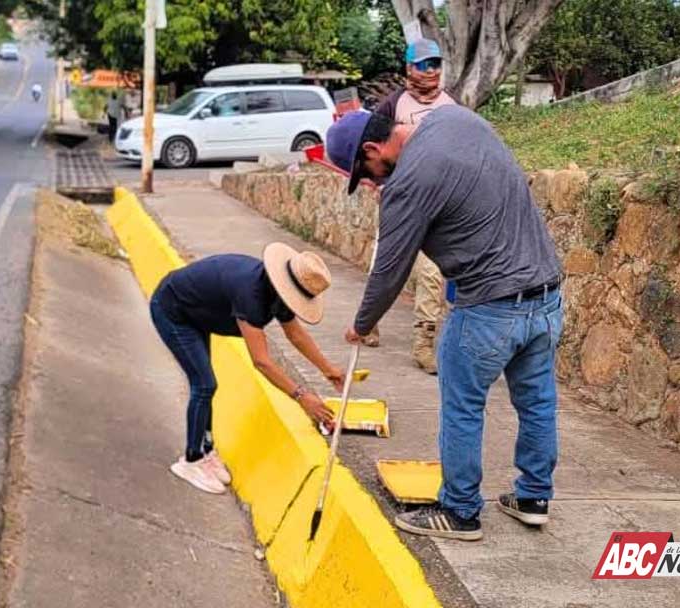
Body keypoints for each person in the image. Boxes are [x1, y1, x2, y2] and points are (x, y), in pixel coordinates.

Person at [327, 108, 563, 541]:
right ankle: (533, 496)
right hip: (546, 296)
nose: (371, 184)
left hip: (488, 308)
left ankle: (459, 511)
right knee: (538, 402)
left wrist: (362, 325)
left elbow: (390, 270)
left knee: (463, 406)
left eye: (365, 173)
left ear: (372, 150)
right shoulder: (459, 121)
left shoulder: (406, 183)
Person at [150, 243, 346, 495]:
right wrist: (301, 397)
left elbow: (295, 335)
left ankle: (206, 450)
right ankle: (191, 460)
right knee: (204, 384)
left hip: (196, 314)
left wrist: (327, 368)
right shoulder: (251, 293)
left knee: (205, 384)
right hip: (172, 311)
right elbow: (261, 361)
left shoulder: (278, 289)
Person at [374, 38, 457, 374]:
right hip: (400, 201)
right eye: (424, 64)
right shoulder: (392, 105)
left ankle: (424, 343)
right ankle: (369, 321)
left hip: (437, 205)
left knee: (432, 274)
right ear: (409, 68)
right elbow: (374, 149)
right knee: (385, 263)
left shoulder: (452, 106)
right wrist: (381, 184)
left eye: (435, 63)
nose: (431, 71)